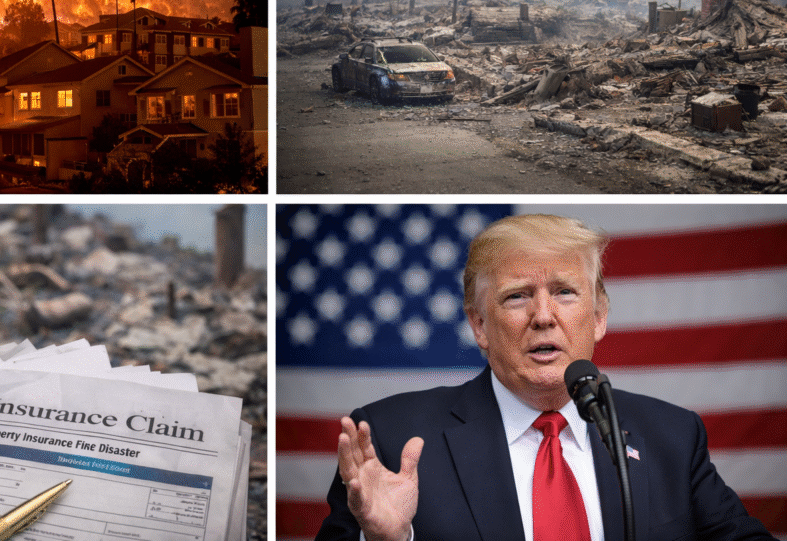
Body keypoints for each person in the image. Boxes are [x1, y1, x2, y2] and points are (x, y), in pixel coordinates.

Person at [316, 214, 773, 541]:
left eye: (564, 292)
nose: (543, 317)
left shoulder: (671, 436)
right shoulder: (392, 438)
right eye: (517, 297)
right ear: (479, 325)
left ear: (598, 316)